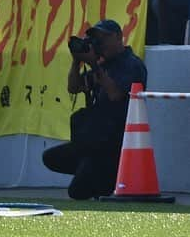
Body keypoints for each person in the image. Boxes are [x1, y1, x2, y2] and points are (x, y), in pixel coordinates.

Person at [42, 20, 147, 200]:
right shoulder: (104, 65)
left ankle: (108, 177)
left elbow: (115, 94)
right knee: (51, 157)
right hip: (94, 142)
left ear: (118, 37)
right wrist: (77, 61)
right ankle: (96, 174)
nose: (100, 44)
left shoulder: (132, 64)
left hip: (114, 143)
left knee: (77, 192)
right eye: (96, 40)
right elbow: (74, 87)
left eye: (103, 38)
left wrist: (95, 65)